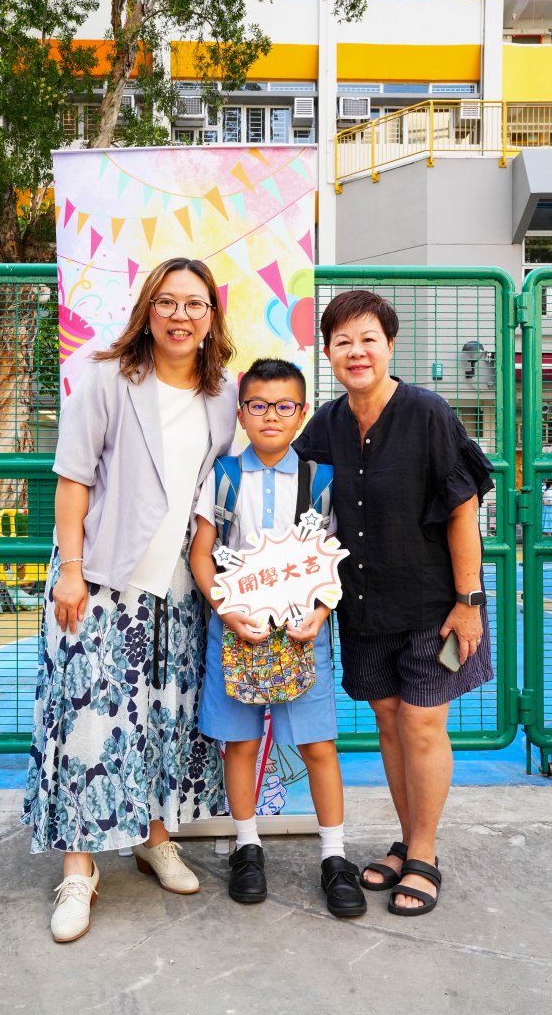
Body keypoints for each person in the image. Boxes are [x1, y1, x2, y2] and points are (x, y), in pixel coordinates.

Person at [22, 257, 237, 942]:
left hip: (177, 590)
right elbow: (73, 478)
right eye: (167, 302)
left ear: (211, 318)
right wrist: (72, 571)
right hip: (99, 579)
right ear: (148, 310)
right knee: (87, 724)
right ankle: (78, 869)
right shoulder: (108, 377)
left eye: (195, 304)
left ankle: (153, 838)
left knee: (163, 720)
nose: (180, 315)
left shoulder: (223, 393)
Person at [294, 290, 494, 917]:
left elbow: (463, 511)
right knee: (387, 720)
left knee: (422, 722)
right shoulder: (325, 424)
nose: (356, 352)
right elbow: (299, 507)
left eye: (368, 339)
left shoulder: (428, 413)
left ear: (389, 345)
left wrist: (469, 600)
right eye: (343, 342)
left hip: (433, 603)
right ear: (328, 352)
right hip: (362, 604)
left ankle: (424, 855)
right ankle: (408, 840)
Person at [190, 358, 367, 919]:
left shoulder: (321, 481)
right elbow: (201, 554)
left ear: (302, 413)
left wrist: (321, 612)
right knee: (240, 744)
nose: (271, 416)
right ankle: (247, 848)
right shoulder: (222, 475)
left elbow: (334, 560)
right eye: (259, 405)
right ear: (241, 413)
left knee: (317, 745)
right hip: (235, 631)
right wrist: (226, 611)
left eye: (284, 406)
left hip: (302, 633)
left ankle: (335, 857)